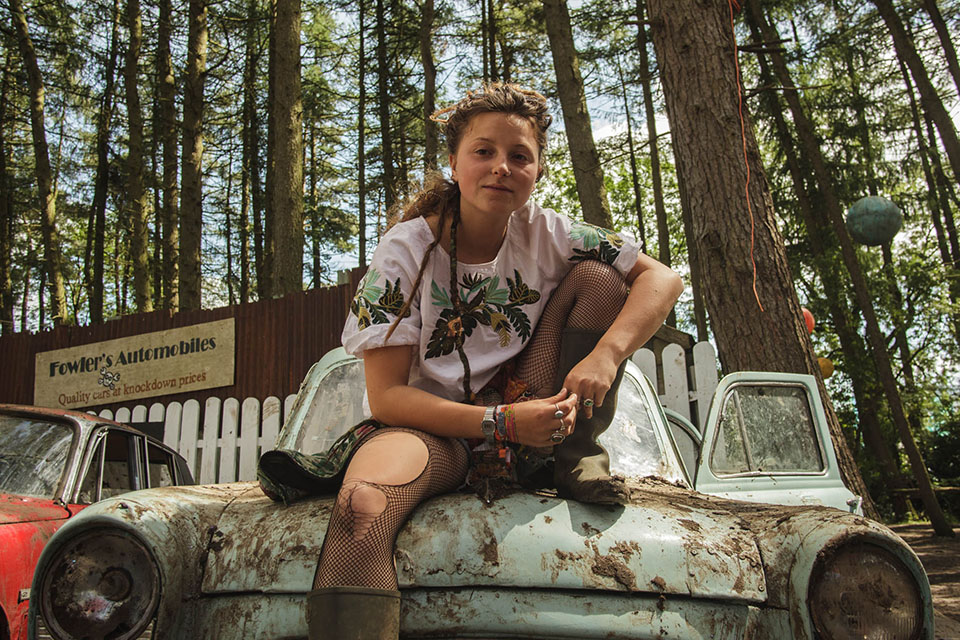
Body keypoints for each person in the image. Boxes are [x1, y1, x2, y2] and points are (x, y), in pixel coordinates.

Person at [258, 83, 684, 640]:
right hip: (430, 429)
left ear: (537, 170)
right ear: (454, 164)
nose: (501, 167)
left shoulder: (552, 232)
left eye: (519, 156)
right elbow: (387, 399)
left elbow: (663, 279)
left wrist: (606, 355)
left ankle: (574, 459)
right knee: (362, 506)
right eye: (483, 151)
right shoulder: (404, 251)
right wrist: (500, 424)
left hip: (530, 408)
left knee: (602, 280)